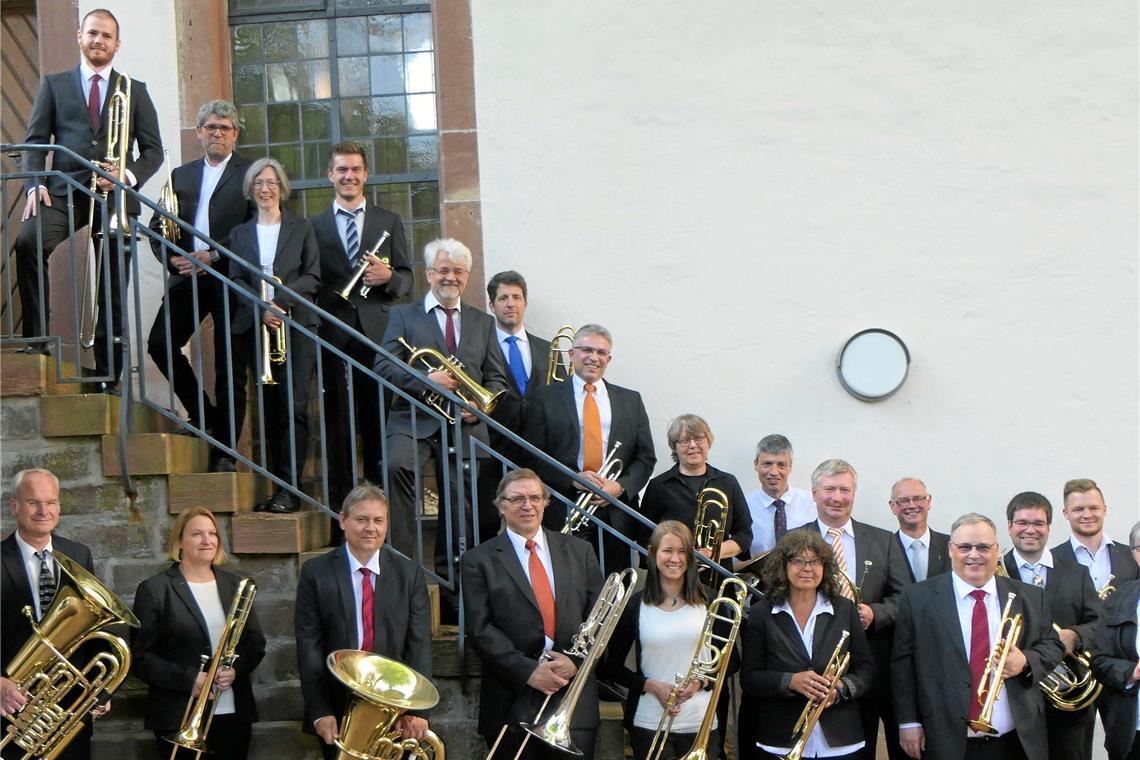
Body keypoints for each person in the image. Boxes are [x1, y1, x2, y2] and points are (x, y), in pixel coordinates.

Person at [14, 8, 162, 390]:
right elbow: (34, 141)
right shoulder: (54, 85)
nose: (99, 41)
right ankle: (37, 339)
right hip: (65, 190)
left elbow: (152, 151)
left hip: (113, 200)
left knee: (112, 282)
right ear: (79, 35)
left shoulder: (135, 90)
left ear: (117, 44)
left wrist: (126, 176)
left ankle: (108, 372)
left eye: (107, 36)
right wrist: (34, 183)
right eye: (93, 33)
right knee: (28, 241)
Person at [375, 237, 508, 620]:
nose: (450, 277)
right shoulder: (404, 315)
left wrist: (478, 409)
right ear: (429, 273)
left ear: (467, 277)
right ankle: (402, 572)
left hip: (463, 425)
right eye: (443, 270)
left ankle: (453, 588)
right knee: (397, 467)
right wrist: (426, 379)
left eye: (458, 272)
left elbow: (496, 379)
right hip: (413, 416)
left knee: (460, 501)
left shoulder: (483, 321)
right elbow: (384, 364)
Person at [892, 513, 1064, 760]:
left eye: (984, 547)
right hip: (946, 737)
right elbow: (902, 664)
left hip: (1016, 739)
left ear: (996, 550)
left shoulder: (1030, 596)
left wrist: (1026, 660)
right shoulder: (917, 598)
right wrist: (908, 722)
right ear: (951, 549)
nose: (974, 555)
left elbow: (1053, 644)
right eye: (965, 547)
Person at [461, 469, 604, 758]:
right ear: (501, 506)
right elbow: (480, 628)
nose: (528, 505)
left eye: (534, 498)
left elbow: (601, 617)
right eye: (517, 499)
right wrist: (529, 672)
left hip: (573, 698)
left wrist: (576, 662)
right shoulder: (478, 560)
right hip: (511, 699)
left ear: (545, 502)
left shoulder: (580, 550)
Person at [145, 99, 254, 472]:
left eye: (224, 128)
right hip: (188, 279)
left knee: (229, 369)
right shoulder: (180, 176)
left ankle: (226, 453)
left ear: (235, 135)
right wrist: (170, 258)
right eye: (210, 127)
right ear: (199, 132)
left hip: (228, 280)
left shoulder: (250, 175)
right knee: (159, 342)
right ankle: (205, 418)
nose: (217, 133)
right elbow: (159, 226)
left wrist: (217, 257)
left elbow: (255, 231)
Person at [311, 142, 412, 522]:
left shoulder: (389, 221)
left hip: (377, 334)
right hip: (334, 332)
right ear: (330, 176)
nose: (348, 176)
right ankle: (340, 510)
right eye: (341, 170)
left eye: (355, 169)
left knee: (377, 422)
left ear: (365, 175)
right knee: (336, 423)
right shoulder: (314, 225)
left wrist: (388, 278)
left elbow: (407, 279)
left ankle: (376, 510)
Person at [294, 484, 433, 760]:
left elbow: (419, 645)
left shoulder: (409, 574)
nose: (371, 527)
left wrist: (417, 711)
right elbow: (309, 646)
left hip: (396, 708)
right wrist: (319, 710)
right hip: (338, 707)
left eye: (378, 520)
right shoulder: (316, 572)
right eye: (362, 519)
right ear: (343, 520)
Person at [131, 507, 266, 759]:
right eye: (197, 534)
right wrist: (190, 679)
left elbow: (255, 643)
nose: (207, 540)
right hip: (178, 715)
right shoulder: (155, 589)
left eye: (212, 533)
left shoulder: (235, 585)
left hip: (232, 713)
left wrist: (236, 670)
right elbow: (140, 658)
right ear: (179, 541)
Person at [521, 324, 656, 573]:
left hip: (615, 511)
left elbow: (645, 458)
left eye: (601, 352)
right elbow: (531, 454)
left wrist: (620, 487)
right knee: (567, 582)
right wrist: (572, 479)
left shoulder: (630, 400)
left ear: (609, 359)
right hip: (564, 505)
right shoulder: (545, 397)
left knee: (614, 583)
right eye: (586, 350)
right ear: (572, 354)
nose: (594, 357)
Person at [228, 158, 321, 514]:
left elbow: (312, 276)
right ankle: (274, 488)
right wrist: (259, 307)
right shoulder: (239, 234)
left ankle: (292, 490)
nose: (265, 189)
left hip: (295, 327)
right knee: (267, 412)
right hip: (255, 327)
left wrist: (278, 302)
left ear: (282, 188)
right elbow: (235, 278)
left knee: (294, 408)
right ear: (251, 191)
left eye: (271, 183)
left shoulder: (302, 228)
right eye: (258, 184)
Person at [603, 520, 734, 759]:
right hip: (649, 722)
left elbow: (731, 662)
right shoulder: (635, 606)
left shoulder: (713, 602)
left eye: (683, 551)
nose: (675, 559)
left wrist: (701, 683)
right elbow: (610, 667)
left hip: (702, 721)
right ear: (653, 554)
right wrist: (651, 685)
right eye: (667, 551)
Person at [740, 530, 874, 760]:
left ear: (825, 567)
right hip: (780, 738)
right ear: (783, 566)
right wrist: (790, 681)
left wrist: (840, 688)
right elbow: (750, 678)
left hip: (841, 740)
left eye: (815, 561)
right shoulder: (762, 613)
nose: (807, 568)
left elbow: (866, 669)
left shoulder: (845, 609)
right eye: (798, 561)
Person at [790, 459, 893, 758]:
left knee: (863, 749)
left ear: (854, 494)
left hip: (866, 666)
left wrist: (876, 613)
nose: (837, 497)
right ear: (813, 493)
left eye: (845, 490)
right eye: (829, 489)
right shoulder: (794, 539)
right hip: (809, 670)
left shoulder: (883, 540)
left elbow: (902, 597)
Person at [1, 468, 107, 760]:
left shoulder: (79, 555)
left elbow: (98, 626)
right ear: (15, 506)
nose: (43, 510)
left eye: (51, 502)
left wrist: (102, 690)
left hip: (69, 707)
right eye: (33, 502)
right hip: (11, 707)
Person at [1000, 491, 1101, 760]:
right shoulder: (993, 572)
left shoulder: (1076, 573)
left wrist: (1076, 635)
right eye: (1022, 522)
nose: (1030, 530)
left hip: (1067, 700)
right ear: (1009, 526)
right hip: (1012, 698)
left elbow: (1100, 623)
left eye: (1038, 523)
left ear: (1048, 527)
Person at [480, 270, 551, 540]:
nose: (510, 303)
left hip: (538, 450)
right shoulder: (480, 347)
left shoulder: (546, 348)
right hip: (492, 448)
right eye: (503, 298)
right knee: (486, 522)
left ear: (525, 304)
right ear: (492, 305)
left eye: (516, 297)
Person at [640, 414, 751, 565]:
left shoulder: (728, 482)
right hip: (673, 576)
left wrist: (712, 553)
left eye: (699, 438)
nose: (693, 445)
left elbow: (744, 535)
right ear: (675, 447)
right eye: (684, 441)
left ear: (708, 442)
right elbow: (645, 538)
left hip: (717, 576)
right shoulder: (658, 486)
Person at [1052, 479, 1140, 592]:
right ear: (1066, 513)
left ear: (1104, 510)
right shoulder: (1051, 560)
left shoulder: (1132, 555)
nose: (1087, 515)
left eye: (1093, 508)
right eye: (1078, 509)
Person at [1091, 578, 1140, 760]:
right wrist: (1132, 672)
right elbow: (1099, 662)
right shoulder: (1117, 599)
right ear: (1135, 554)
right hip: (1133, 732)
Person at [743, 434, 815, 557]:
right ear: (756, 464)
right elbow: (732, 564)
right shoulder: (743, 507)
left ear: (790, 466)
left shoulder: (812, 503)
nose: (774, 472)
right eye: (767, 464)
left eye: (781, 465)